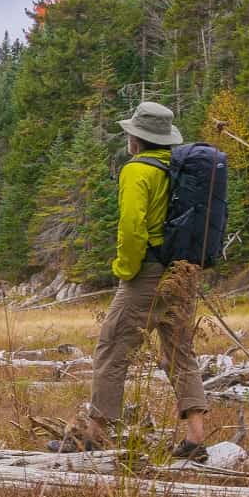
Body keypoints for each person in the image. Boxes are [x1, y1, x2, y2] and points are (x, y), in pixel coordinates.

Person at [50, 101, 210, 461]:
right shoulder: (180, 168)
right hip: (184, 272)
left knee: (112, 344)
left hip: (149, 272)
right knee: (180, 350)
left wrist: (125, 269)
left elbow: (132, 227)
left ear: (136, 138)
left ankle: (93, 433)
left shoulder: (138, 171)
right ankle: (196, 436)